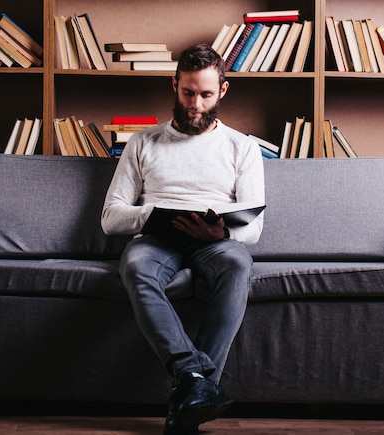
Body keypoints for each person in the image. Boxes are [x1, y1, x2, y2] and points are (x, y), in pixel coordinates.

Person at [101, 43, 265, 434]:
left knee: (238, 262)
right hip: (158, 240)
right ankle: (196, 380)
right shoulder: (142, 143)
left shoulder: (242, 147)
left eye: (206, 94)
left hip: (214, 241)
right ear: (174, 85)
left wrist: (221, 231)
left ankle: (191, 390)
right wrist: (154, 216)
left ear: (222, 91)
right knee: (135, 264)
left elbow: (254, 227)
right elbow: (110, 217)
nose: (195, 104)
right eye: (188, 92)